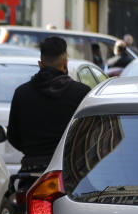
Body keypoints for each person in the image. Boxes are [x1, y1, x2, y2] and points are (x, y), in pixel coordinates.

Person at [7, 36, 91, 170]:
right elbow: (89, 133)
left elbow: (13, 136)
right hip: (69, 169)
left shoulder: (21, 93)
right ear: (65, 63)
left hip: (31, 169)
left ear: (40, 64)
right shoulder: (82, 93)